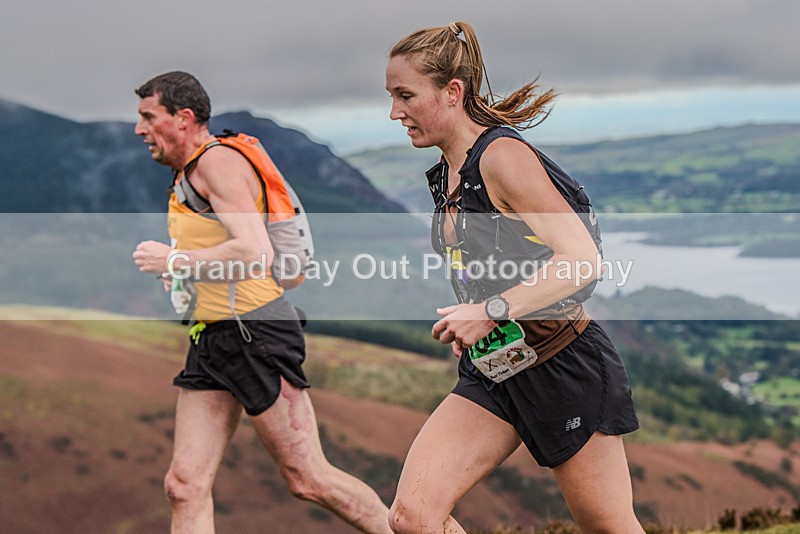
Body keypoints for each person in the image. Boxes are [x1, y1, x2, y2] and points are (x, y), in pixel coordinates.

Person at [385, 23, 643, 533]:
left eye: (405, 95)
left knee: (609, 527)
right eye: (392, 97)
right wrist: (479, 318)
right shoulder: (448, 172)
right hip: (496, 370)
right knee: (413, 517)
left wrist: (490, 311)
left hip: (564, 364)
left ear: (452, 92)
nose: (395, 112)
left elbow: (582, 259)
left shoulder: (502, 157)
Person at [131, 71, 391, 534]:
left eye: (149, 117)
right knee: (184, 484)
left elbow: (255, 253)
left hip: (254, 331)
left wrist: (175, 259)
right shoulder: (190, 171)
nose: (139, 129)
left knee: (309, 479)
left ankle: (410, 527)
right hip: (212, 336)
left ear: (183, 118)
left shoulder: (217, 164)